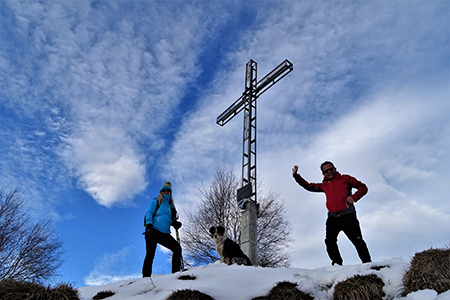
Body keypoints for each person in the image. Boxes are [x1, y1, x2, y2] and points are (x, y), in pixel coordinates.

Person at [292, 161, 372, 266]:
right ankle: (337, 265)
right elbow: (309, 186)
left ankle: (368, 265)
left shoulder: (346, 178)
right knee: (330, 241)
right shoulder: (324, 185)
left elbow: (363, 187)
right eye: (326, 171)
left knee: (357, 240)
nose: (329, 172)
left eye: (331, 169)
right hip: (333, 217)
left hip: (347, 215)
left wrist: (354, 197)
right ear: (323, 173)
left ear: (335, 169)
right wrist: (297, 176)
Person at [142, 181, 183, 277]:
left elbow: (170, 219)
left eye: (168, 191)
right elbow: (149, 213)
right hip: (153, 230)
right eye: (164, 191)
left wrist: (175, 223)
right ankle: (146, 277)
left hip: (164, 233)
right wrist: (149, 226)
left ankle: (176, 273)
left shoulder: (171, 207)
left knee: (177, 248)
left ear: (170, 193)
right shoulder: (156, 201)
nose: (166, 192)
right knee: (150, 254)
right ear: (161, 192)